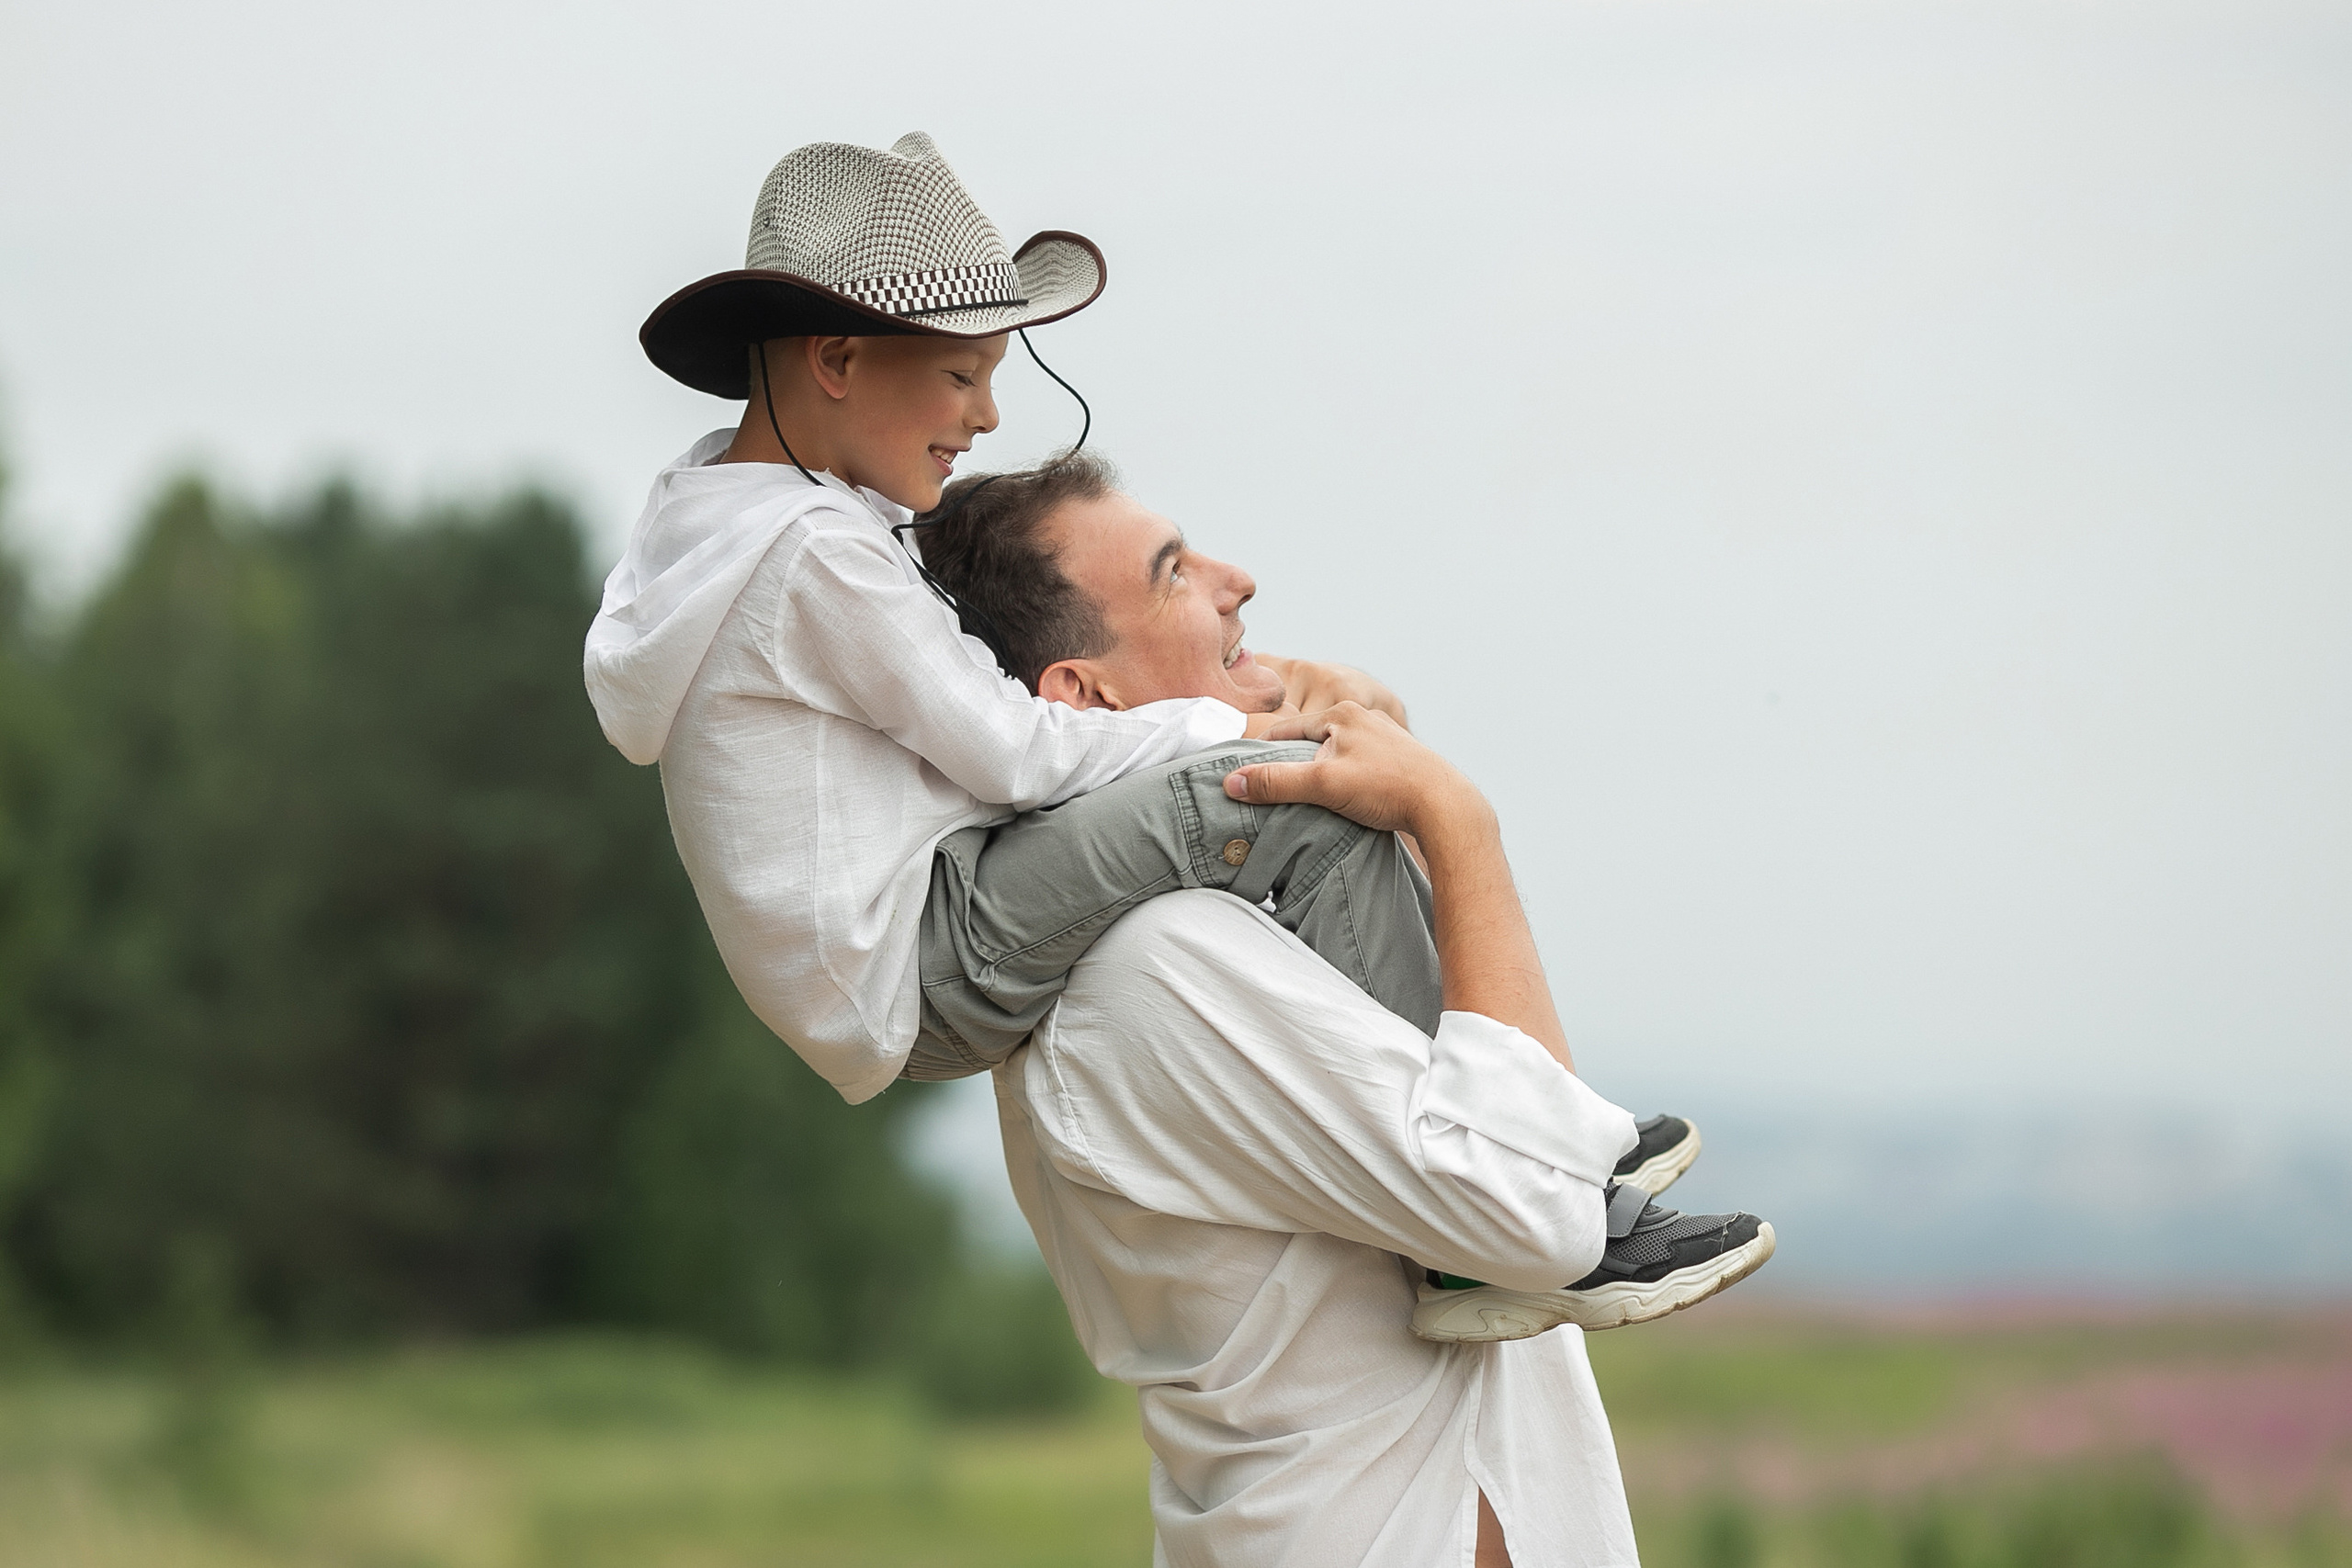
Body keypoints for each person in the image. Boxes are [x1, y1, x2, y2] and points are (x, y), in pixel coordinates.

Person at [913, 465, 1679, 1562]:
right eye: (1174, 573)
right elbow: (1538, 1216)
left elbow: (1477, 1104)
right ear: (1080, 695)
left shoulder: (1234, 926)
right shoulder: (1157, 963)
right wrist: (1457, 820)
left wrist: (1382, 763)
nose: (1239, 583)